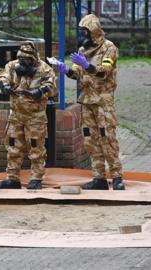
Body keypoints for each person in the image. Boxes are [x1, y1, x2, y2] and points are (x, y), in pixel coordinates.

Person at [55, 14, 124, 190]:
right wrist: (66, 70)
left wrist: (87, 66)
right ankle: (99, 178)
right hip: (87, 101)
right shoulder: (83, 49)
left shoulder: (109, 48)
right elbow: (77, 73)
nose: (82, 35)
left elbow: (103, 72)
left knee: (107, 138)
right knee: (90, 140)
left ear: (93, 31)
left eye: (85, 31)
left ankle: (117, 177)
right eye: (81, 31)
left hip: (102, 102)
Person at [0, 42, 57, 190]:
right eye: (21, 59)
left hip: (35, 117)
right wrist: (4, 86)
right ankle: (13, 179)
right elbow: (2, 76)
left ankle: (36, 178)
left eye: (26, 59)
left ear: (33, 58)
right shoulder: (12, 66)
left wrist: (41, 91)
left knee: (36, 149)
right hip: (16, 115)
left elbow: (52, 86)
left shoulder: (44, 69)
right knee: (13, 147)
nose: (23, 62)